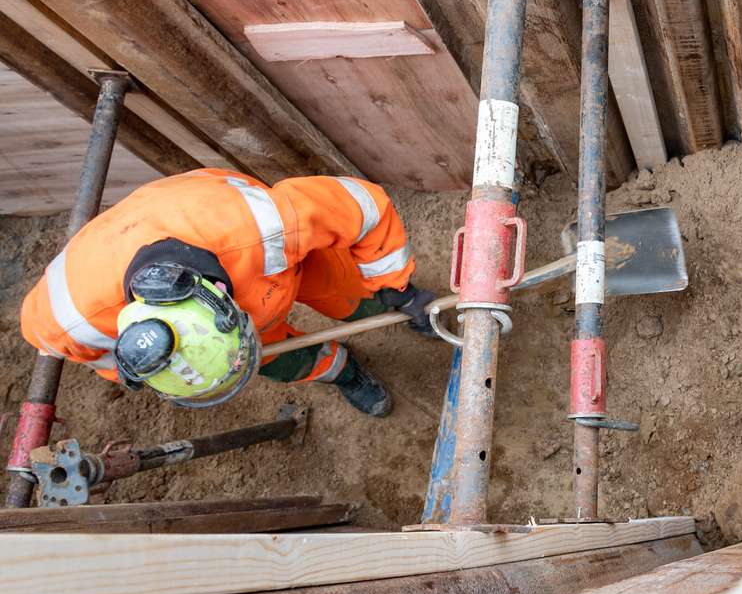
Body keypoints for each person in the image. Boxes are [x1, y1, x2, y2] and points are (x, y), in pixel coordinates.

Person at [20, 169, 437, 417]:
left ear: (222, 296)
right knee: (280, 360)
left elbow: (365, 206)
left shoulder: (266, 226)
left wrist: (396, 288)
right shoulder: (66, 322)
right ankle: (343, 371)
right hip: (199, 282)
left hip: (264, 259)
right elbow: (94, 355)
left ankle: (388, 309)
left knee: (343, 292)